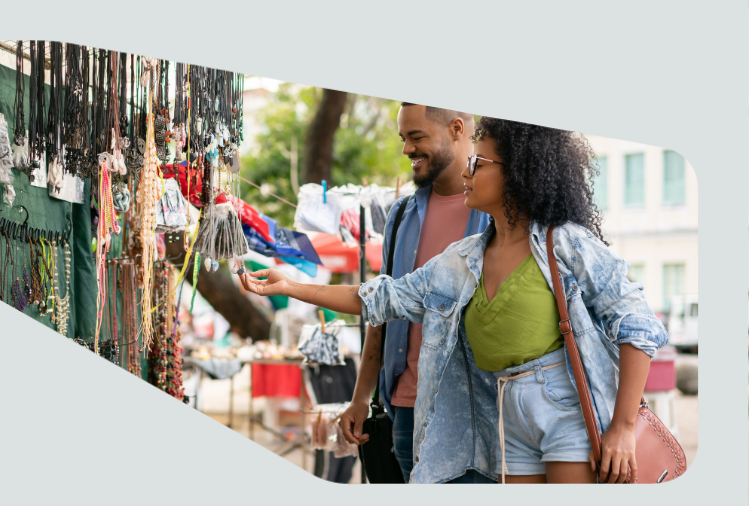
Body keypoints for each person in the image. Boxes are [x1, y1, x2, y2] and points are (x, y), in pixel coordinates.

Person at [239, 117, 667, 484]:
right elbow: (383, 297)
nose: (466, 171)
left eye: (478, 163)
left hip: (566, 407)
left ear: (517, 173)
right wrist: (290, 286)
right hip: (505, 413)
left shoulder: (564, 243)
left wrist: (622, 427)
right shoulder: (463, 259)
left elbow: (637, 324)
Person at [335, 103, 491, 484]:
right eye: (403, 138)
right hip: (404, 412)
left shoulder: (494, 210)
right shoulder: (401, 214)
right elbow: (383, 307)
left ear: (457, 128)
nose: (406, 149)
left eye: (416, 137)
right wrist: (361, 396)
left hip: (473, 414)